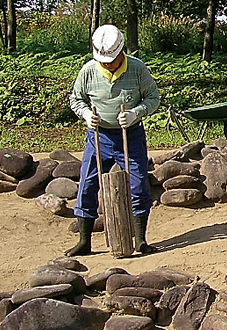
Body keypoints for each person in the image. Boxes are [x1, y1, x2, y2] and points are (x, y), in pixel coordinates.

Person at [65, 24, 160, 256]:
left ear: (121, 53)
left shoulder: (137, 69)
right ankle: (84, 241)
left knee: (138, 185)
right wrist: (87, 115)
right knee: (87, 184)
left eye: (111, 60)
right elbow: (76, 99)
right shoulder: (88, 71)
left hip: (131, 135)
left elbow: (153, 98)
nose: (107, 64)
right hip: (99, 136)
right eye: (103, 61)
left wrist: (136, 112)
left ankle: (140, 239)